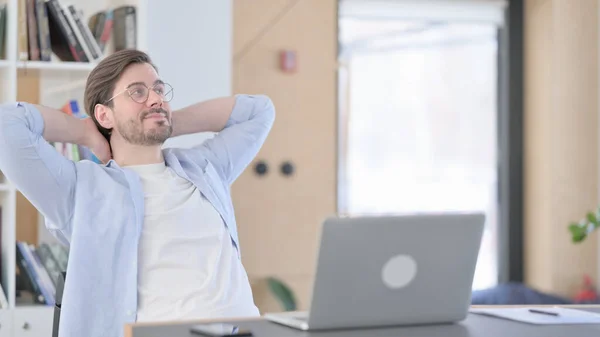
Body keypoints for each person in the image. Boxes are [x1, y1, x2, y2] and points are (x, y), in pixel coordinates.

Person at [0, 49, 275, 337]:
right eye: (137, 92)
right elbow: (6, 124)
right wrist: (84, 132)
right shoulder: (79, 189)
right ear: (104, 114)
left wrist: (165, 119)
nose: (156, 98)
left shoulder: (204, 168)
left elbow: (259, 111)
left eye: (158, 89)